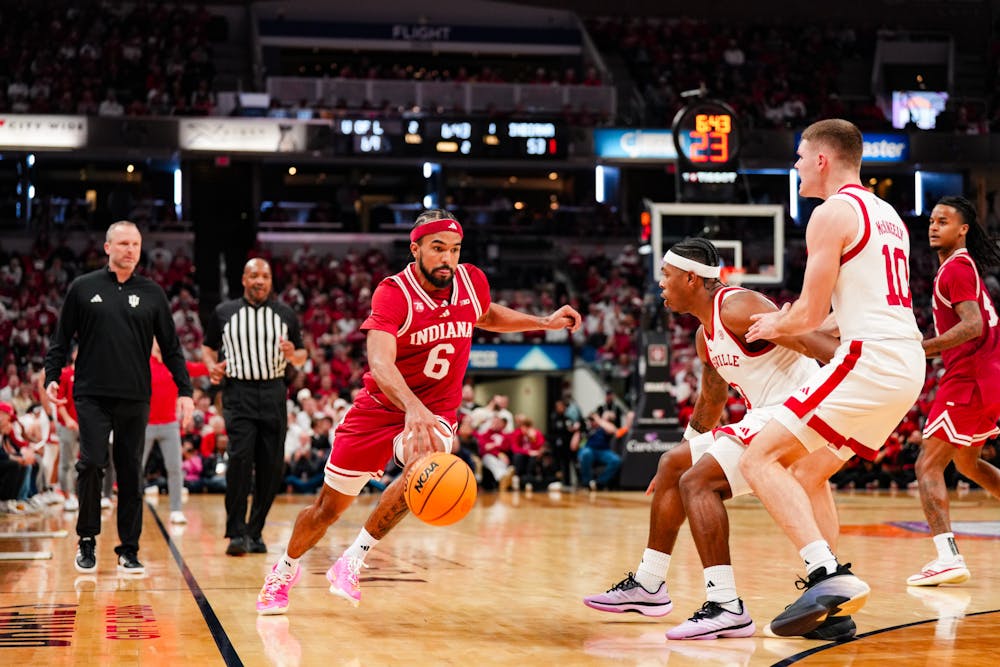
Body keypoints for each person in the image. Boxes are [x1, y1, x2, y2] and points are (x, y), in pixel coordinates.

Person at [255, 209, 581, 614]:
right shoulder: (394, 293)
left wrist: (542, 322)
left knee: (423, 468)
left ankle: (352, 561)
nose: (448, 258)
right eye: (438, 248)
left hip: (436, 411)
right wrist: (411, 406)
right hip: (379, 409)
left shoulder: (471, 280)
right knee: (326, 510)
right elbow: (380, 362)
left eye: (455, 249)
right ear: (416, 249)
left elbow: (485, 313)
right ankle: (284, 569)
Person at [584, 238, 851, 641]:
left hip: (799, 412)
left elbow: (809, 339)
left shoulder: (738, 306)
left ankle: (726, 605)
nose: (661, 284)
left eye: (666, 276)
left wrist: (844, 355)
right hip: (772, 416)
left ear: (692, 278)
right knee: (674, 464)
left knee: (697, 482)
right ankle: (649, 584)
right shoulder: (705, 334)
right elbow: (712, 397)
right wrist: (688, 446)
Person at [743, 119, 925, 636]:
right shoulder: (887, 215)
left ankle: (827, 574)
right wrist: (792, 320)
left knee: (761, 457)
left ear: (822, 160)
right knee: (806, 473)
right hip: (905, 364)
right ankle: (834, 613)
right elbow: (841, 313)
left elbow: (804, 316)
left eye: (800, 157)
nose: (796, 165)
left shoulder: (830, 213)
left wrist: (772, 323)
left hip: (868, 359)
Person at [44, 220, 194, 576]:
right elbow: (60, 339)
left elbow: (171, 348)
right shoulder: (83, 288)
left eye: (136, 244)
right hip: (91, 394)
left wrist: (185, 391)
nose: (130, 249)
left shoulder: (153, 293)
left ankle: (129, 549)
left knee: (131, 474)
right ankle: (87, 540)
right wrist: (52, 377)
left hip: (135, 396)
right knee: (92, 463)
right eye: (123, 243)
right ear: (108, 248)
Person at [908, 195, 1000, 586]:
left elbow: (973, 325)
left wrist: (922, 348)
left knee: (927, 466)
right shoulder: (959, 267)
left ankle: (947, 557)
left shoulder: (956, 270)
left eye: (943, 221)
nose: (934, 226)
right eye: (932, 220)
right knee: (966, 464)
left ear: (962, 229)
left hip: (971, 377)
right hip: (986, 376)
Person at [202, 258, 307, 556]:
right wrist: (213, 367)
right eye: (253, 276)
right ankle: (236, 532)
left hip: (274, 390)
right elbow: (207, 347)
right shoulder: (224, 312)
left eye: (265, 276)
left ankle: (255, 531)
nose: (259, 281)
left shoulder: (286, 314)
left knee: (271, 466)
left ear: (271, 280)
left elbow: (301, 354)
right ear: (244, 280)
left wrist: (293, 354)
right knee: (239, 460)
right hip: (238, 392)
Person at [143, 340, 208, 525]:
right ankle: (130, 509)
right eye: (156, 338)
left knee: (175, 468)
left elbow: (197, 369)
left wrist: (216, 365)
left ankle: (177, 510)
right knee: (135, 468)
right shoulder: (143, 361)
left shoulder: (175, 363)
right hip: (145, 424)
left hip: (170, 423)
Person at [577, 410, 621, 491]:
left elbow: (614, 430)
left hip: (603, 451)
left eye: (593, 420)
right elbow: (573, 446)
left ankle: (599, 483)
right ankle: (587, 483)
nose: (592, 421)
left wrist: (598, 419)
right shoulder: (587, 429)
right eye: (591, 420)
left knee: (616, 460)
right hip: (589, 450)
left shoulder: (603, 428)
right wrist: (578, 430)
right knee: (586, 453)